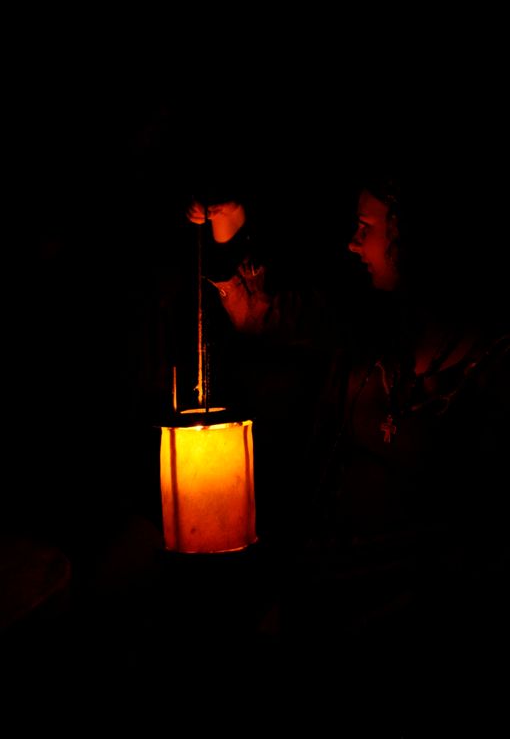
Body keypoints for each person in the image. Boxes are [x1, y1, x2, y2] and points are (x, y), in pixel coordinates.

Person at [186, 163, 510, 719]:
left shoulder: (493, 370)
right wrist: (229, 229)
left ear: (414, 237)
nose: (353, 243)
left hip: (417, 626)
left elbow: (479, 537)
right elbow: (258, 315)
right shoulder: (367, 330)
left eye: (367, 228)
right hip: (324, 590)